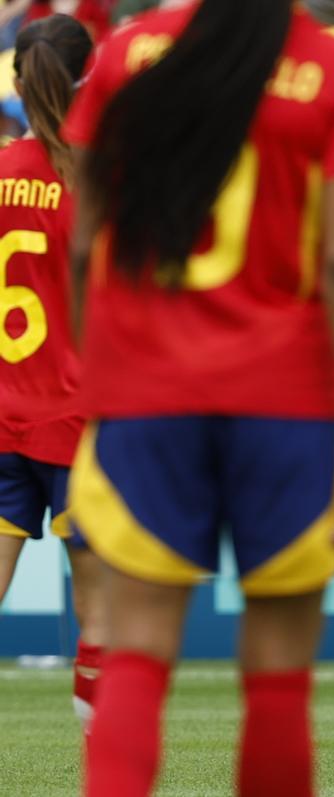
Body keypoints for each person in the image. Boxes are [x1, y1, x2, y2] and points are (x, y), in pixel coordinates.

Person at [60, 2, 334, 794]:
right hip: (289, 404)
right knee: (278, 674)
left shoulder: (125, 56)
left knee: (136, 650)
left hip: (148, 395)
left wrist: (101, 375)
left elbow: (81, 243)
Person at [0, 12, 104, 728]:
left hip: (4, 408)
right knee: (100, 604)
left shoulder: (3, 171)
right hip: (78, 417)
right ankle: (100, 743)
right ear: (88, 78)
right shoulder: (99, 177)